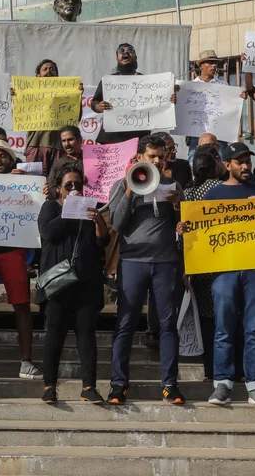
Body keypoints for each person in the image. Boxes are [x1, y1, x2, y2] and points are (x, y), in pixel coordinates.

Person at [201, 143, 255, 410]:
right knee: (223, 328)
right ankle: (222, 383)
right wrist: (185, 228)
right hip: (224, 271)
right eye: (239, 161)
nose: (245, 165)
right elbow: (200, 233)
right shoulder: (213, 196)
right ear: (227, 166)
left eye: (247, 160)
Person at [107, 135, 185, 405]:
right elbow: (116, 223)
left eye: (160, 157)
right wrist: (130, 189)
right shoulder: (121, 185)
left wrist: (177, 205)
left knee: (167, 324)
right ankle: (118, 384)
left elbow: (183, 224)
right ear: (139, 156)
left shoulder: (173, 185)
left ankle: (170, 384)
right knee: (125, 323)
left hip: (164, 263)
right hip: (132, 263)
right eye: (151, 156)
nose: (156, 161)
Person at [37, 165, 110, 403]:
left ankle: (89, 387)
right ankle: (49, 386)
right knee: (54, 335)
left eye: (78, 184)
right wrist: (69, 211)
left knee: (86, 336)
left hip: (85, 282)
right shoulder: (50, 207)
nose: (74, 189)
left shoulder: (91, 209)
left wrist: (98, 220)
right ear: (58, 189)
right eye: (68, 185)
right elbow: (49, 234)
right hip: (59, 284)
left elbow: (102, 241)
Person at [0, 138, 41, 379]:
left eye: (3, 155)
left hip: (14, 252)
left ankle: (26, 361)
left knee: (22, 306)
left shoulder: (26, 184)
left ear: (12, 160)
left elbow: (37, 205)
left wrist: (35, 186)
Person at [184, 147, 225, 380]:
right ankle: (227, 369)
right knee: (224, 319)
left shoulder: (188, 195)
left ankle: (210, 370)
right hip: (221, 263)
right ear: (214, 169)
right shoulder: (221, 190)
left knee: (207, 322)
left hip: (198, 265)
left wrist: (187, 267)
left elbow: (186, 236)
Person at [90, 43, 177, 145]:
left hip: (139, 138)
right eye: (121, 51)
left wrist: (169, 98)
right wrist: (98, 106)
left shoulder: (148, 82)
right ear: (117, 59)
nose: (126, 52)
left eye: (130, 50)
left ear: (135, 57)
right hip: (111, 138)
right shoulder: (108, 81)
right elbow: (94, 102)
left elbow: (160, 102)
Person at [17, 59, 84, 175]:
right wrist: (16, 96)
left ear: (57, 77)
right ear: (38, 76)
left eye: (52, 69)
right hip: (36, 145)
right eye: (45, 69)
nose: (49, 71)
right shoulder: (27, 93)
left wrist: (77, 96)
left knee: (57, 180)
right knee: (34, 182)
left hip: (57, 146)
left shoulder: (65, 95)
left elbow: (74, 118)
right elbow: (19, 116)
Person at [186, 51, 228, 162]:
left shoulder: (224, 85)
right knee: (194, 163)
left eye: (215, 63)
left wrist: (239, 97)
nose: (214, 65)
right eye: (209, 63)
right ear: (200, 65)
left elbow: (230, 107)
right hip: (196, 135)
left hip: (218, 135)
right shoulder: (190, 86)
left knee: (220, 163)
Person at [46, 125, 83, 193]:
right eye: (63, 141)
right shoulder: (58, 164)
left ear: (80, 140)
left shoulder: (92, 160)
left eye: (70, 139)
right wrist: (63, 190)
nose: (67, 144)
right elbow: (51, 188)